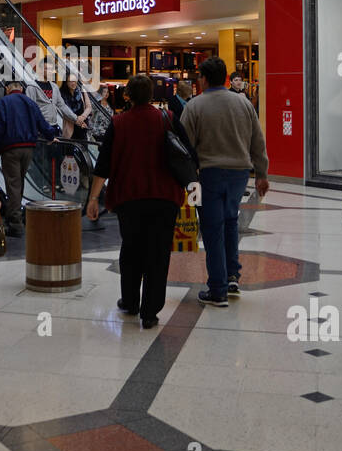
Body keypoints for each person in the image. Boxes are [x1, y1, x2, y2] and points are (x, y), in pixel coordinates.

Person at [86, 74, 183, 329]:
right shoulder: (167, 119)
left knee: (131, 249)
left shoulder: (119, 123)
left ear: (127, 95)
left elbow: (103, 165)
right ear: (152, 95)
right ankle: (150, 312)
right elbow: (186, 154)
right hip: (164, 197)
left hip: (130, 198)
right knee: (158, 253)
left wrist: (94, 199)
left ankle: (130, 301)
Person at [180, 57, 270, 307]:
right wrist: (261, 173)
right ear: (226, 79)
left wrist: (186, 182)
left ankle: (217, 288)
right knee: (230, 221)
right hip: (240, 174)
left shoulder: (194, 106)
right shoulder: (243, 104)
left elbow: (184, 147)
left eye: (199, 76)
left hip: (208, 174)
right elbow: (257, 141)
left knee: (211, 228)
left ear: (205, 79)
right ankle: (232, 276)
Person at [0, 80, 59, 236]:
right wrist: (50, 136)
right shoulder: (30, 102)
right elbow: (42, 123)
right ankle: (14, 216)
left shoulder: (4, 102)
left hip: (11, 149)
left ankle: (15, 223)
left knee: (13, 184)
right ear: (21, 89)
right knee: (18, 183)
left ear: (7, 89)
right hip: (29, 148)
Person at [58, 74, 91, 142]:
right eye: (70, 81)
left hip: (83, 126)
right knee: (70, 150)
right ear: (66, 82)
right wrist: (77, 121)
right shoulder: (61, 94)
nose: (73, 83)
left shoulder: (82, 91)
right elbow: (64, 112)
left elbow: (89, 107)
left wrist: (82, 117)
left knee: (83, 149)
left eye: (75, 81)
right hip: (70, 128)